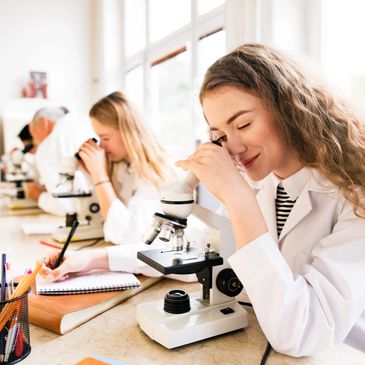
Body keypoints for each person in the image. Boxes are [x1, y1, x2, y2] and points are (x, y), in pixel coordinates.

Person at [174, 43, 365, 356]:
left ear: (288, 107)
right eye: (220, 136)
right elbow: (200, 248)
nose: (232, 147)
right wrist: (102, 260)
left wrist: (238, 199)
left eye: (243, 124)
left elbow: (302, 334)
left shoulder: (356, 195)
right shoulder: (267, 186)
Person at [40, 91, 193, 281]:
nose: (101, 146)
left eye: (105, 138)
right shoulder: (122, 165)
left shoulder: (157, 173)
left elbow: (128, 236)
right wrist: (89, 170)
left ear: (128, 133)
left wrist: (99, 175)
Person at [27, 106, 96, 215]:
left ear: (45, 123)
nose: (35, 141)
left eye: (34, 134)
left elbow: (65, 207)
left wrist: (38, 196)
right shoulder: (87, 122)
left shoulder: (49, 145)